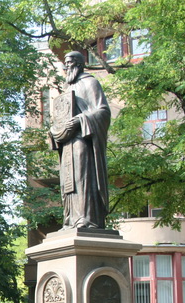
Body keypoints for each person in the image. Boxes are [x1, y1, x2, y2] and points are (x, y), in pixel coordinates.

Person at [49, 50, 111, 229]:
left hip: (83, 139)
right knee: (69, 182)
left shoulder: (90, 83)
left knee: (82, 178)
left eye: (71, 62)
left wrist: (79, 120)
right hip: (68, 142)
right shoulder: (68, 90)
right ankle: (71, 219)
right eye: (65, 63)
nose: (67, 66)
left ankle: (87, 218)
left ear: (79, 63)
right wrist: (55, 130)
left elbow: (103, 111)